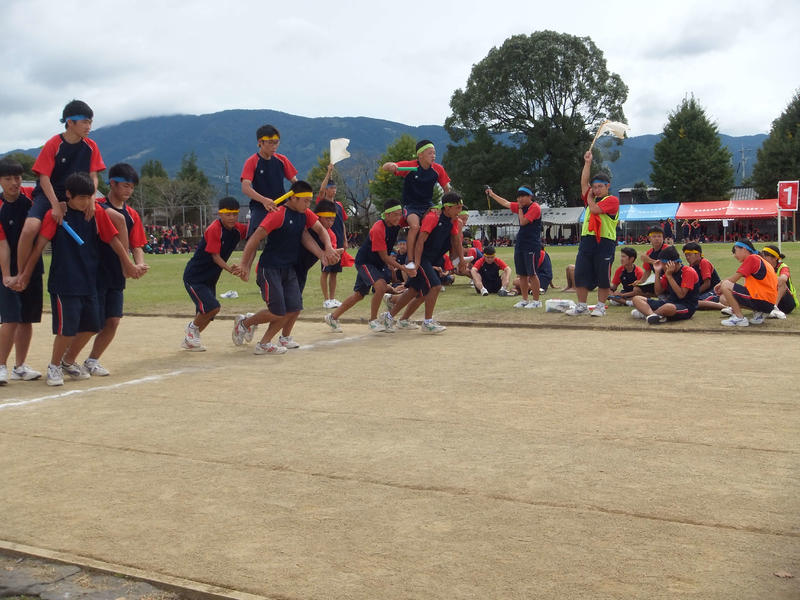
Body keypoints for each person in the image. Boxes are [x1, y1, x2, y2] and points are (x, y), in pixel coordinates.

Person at [15, 173, 143, 386]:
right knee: (67, 330)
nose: (86, 202)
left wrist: (127, 264)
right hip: (64, 282)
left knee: (93, 325)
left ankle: (68, 362)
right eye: (81, 198)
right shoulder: (56, 215)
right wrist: (25, 274)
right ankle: (54, 366)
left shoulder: (97, 213)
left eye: (89, 197)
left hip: (89, 280)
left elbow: (113, 240)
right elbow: (38, 247)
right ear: (68, 195)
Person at [233, 181, 338, 355]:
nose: (308, 205)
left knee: (294, 309)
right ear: (293, 198)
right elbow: (255, 238)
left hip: (289, 269)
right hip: (270, 268)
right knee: (278, 312)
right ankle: (245, 324)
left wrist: (326, 250)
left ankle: (264, 343)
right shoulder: (278, 214)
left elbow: (319, 231)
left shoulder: (304, 214)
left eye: (310, 201)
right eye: (305, 201)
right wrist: (245, 264)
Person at [72, 163, 149, 375]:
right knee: (93, 322)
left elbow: (137, 244)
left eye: (132, 187)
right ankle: (66, 359)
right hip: (95, 272)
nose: (129, 190)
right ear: (112, 184)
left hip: (116, 274)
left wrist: (139, 264)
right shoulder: (95, 206)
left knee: (113, 321)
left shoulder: (132, 214)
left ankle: (92, 361)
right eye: (125, 185)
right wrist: (129, 265)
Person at [17, 100, 106, 275]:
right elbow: (44, 178)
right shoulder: (54, 144)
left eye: (90, 122)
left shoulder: (91, 146)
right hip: (49, 193)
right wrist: (55, 205)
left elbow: (93, 176)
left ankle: (115, 269)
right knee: (30, 228)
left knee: (114, 218)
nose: (89, 126)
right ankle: (21, 273)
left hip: (78, 195)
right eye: (85, 122)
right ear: (70, 122)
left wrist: (91, 199)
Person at [324, 200, 412, 333]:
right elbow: (384, 257)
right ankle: (373, 321)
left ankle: (332, 317)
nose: (399, 217)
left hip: (377, 263)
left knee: (359, 295)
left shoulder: (396, 223)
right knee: (380, 286)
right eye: (395, 214)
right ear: (387, 215)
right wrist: (403, 268)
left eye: (400, 214)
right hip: (365, 262)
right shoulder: (378, 229)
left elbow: (412, 221)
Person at [384, 192, 466, 333]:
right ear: (447, 207)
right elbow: (420, 241)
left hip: (430, 259)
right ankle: (427, 323)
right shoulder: (433, 217)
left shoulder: (452, 221)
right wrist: (416, 263)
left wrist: (461, 261)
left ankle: (395, 319)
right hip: (421, 258)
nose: (460, 211)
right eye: (457, 208)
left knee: (416, 291)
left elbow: (456, 241)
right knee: (436, 286)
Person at [181, 197, 248, 351]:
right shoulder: (214, 229)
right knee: (213, 307)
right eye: (227, 214)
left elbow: (254, 232)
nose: (232, 218)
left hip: (210, 279)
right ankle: (191, 328)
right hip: (195, 277)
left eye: (235, 214)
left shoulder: (237, 229)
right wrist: (230, 269)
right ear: (220, 214)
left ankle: (189, 341)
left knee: (207, 314)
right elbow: (215, 256)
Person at [0, 158, 42, 383]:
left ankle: (20, 366)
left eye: (17, 177)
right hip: (6, 270)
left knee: (26, 319)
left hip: (32, 267)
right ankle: (1, 365)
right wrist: (8, 275)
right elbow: (2, 244)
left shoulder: (31, 198)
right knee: (11, 318)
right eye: (8, 179)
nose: (14, 183)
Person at [280, 198, 344, 347]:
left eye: (333, 219)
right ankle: (250, 322)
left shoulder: (330, 236)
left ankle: (284, 337)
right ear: (318, 216)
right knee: (284, 308)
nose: (330, 223)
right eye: (327, 219)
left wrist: (332, 257)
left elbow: (330, 257)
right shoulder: (305, 224)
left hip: (301, 271)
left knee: (293, 307)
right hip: (285, 267)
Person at [381, 139, 450, 270]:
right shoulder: (410, 166)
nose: (433, 156)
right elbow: (386, 166)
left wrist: (443, 206)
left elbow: (447, 189)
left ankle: (453, 258)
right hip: (411, 206)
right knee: (414, 226)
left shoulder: (438, 169)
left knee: (444, 223)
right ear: (420, 155)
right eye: (430, 153)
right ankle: (411, 260)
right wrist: (391, 165)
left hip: (428, 205)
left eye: (434, 153)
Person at [566, 151, 619, 316]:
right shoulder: (591, 198)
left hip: (605, 241)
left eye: (600, 187)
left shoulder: (612, 200)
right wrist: (587, 163)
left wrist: (589, 198)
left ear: (607, 186)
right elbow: (584, 183)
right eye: (594, 187)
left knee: (603, 275)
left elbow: (595, 210)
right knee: (580, 273)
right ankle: (582, 305)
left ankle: (600, 306)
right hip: (587, 241)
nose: (596, 190)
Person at [485, 185, 543, 308]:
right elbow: (505, 203)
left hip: (531, 245)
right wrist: (492, 194)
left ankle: (536, 301)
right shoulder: (522, 206)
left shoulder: (535, 207)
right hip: (520, 244)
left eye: (523, 196)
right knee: (522, 274)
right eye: (518, 197)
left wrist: (520, 209)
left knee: (532, 274)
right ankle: (524, 300)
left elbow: (523, 222)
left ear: (530, 196)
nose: (520, 199)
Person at [240, 124, 298, 239]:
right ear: (260, 142)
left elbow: (296, 183)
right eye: (270, 142)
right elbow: (245, 188)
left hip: (281, 205)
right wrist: (264, 201)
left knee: (298, 231)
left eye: (276, 142)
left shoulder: (282, 160)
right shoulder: (252, 161)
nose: (274, 146)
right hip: (260, 207)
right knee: (253, 238)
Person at [714, 239, 777, 327]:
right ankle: (759, 313)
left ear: (744, 249)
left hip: (762, 300)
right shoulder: (760, 259)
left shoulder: (752, 258)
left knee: (725, 285)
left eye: (735, 251)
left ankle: (739, 318)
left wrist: (721, 284)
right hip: (769, 303)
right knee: (723, 298)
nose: (734, 255)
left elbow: (733, 279)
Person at [630, 246, 699, 324]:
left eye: (663, 264)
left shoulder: (688, 271)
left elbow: (681, 295)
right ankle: (653, 316)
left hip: (686, 306)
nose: (662, 266)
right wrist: (657, 272)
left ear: (672, 263)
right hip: (669, 302)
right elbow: (658, 292)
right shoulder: (668, 272)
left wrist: (669, 276)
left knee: (668, 307)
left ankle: (649, 314)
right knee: (636, 299)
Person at [318, 164, 348, 309]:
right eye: (331, 188)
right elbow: (321, 190)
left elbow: (342, 222)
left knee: (335, 271)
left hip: (338, 241)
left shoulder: (339, 205)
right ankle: (325, 300)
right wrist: (329, 171)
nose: (333, 190)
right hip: (327, 241)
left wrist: (345, 239)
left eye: (335, 188)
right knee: (326, 270)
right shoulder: (322, 203)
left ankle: (332, 298)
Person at [681, 242, 723, 310]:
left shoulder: (703, 262)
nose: (687, 257)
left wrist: (695, 293)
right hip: (705, 291)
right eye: (686, 255)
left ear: (698, 254)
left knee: (695, 302)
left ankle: (724, 306)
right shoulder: (692, 265)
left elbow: (707, 284)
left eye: (689, 255)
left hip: (715, 290)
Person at [631, 226, 670, 298]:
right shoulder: (649, 253)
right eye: (654, 236)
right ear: (649, 238)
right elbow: (647, 271)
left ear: (663, 238)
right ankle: (661, 297)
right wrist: (641, 281)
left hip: (670, 280)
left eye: (659, 236)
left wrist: (649, 260)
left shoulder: (668, 249)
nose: (657, 239)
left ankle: (664, 296)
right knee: (636, 289)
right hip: (659, 281)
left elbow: (668, 267)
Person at [760, 245, 797, 317]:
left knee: (782, 284)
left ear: (775, 258)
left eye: (766, 255)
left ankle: (774, 308)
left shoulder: (783, 267)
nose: (763, 258)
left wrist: (767, 280)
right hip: (772, 298)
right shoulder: (764, 267)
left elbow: (783, 279)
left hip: (787, 302)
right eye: (763, 256)